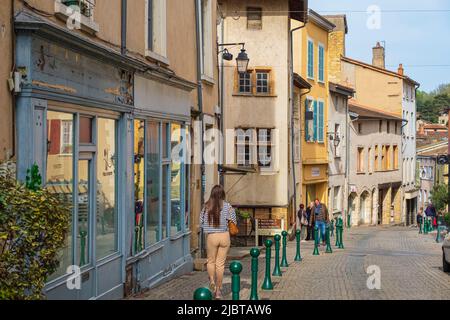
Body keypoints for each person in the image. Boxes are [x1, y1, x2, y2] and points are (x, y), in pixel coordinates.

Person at [200, 185, 237, 300]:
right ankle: (218, 292)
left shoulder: (206, 206)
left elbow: (201, 222)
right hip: (224, 236)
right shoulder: (227, 206)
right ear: (223, 194)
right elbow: (233, 221)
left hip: (212, 236)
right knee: (220, 264)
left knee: (210, 261)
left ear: (212, 194)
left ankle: (211, 280)